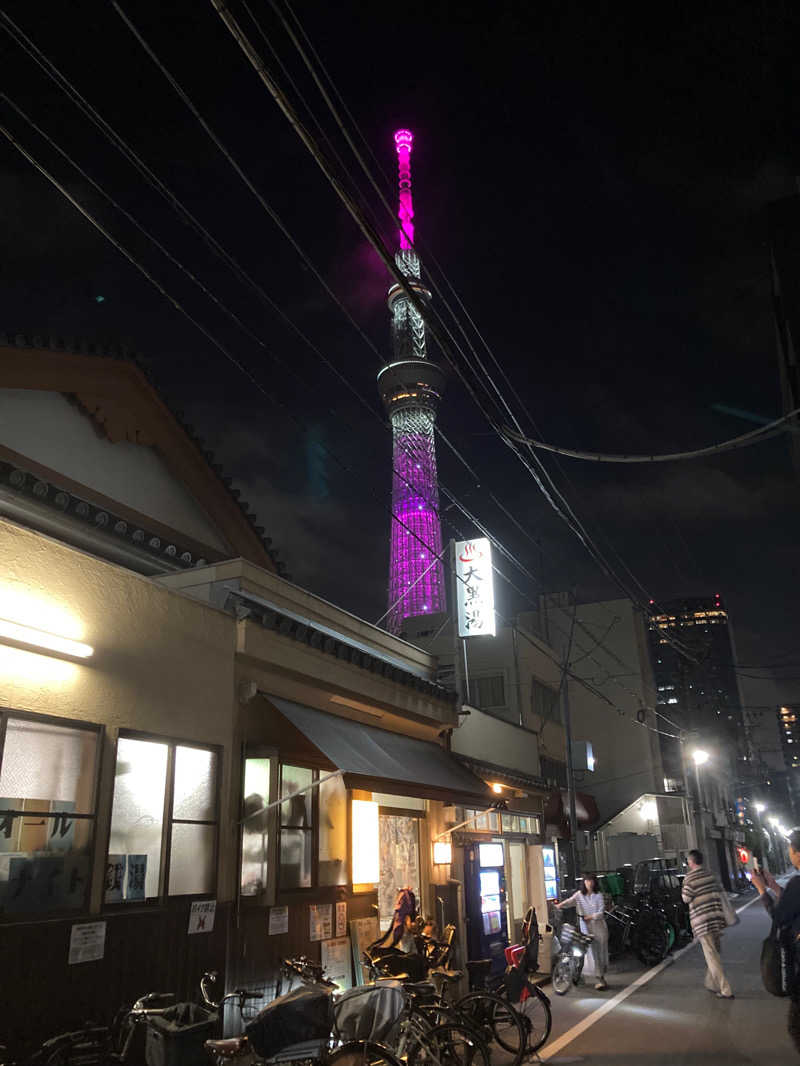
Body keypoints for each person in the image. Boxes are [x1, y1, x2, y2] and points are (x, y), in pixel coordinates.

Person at [751, 829, 800, 1054]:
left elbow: (780, 917)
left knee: (796, 1028)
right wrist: (774, 886)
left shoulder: (797, 885)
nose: (789, 853)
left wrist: (762, 890)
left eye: (790, 849)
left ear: (797, 854)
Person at [681, 849, 733, 999]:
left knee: (711, 955)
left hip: (702, 921)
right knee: (715, 952)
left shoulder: (689, 878)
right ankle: (711, 982)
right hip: (716, 918)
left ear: (691, 862)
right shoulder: (711, 875)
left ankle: (725, 989)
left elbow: (685, 898)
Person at [555, 874, 609, 990]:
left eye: (592, 881)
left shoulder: (598, 895)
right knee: (583, 953)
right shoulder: (579, 895)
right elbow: (570, 902)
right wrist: (559, 905)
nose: (589, 883)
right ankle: (580, 976)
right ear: (584, 882)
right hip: (585, 929)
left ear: (595, 883)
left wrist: (590, 917)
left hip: (599, 929)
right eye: (587, 881)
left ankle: (600, 979)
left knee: (598, 954)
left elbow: (601, 912)